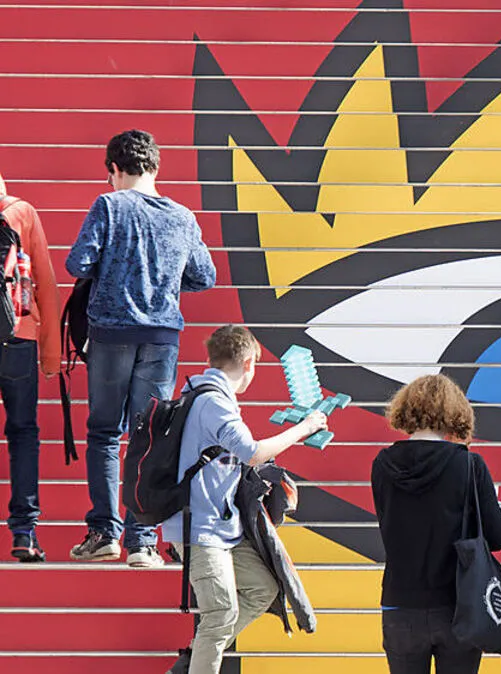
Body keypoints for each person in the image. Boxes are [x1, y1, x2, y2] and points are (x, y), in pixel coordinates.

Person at [65, 129, 217, 567]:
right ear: (155, 167)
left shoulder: (109, 205)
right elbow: (204, 276)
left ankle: (104, 534)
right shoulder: (183, 216)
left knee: (104, 433)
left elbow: (78, 262)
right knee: (148, 435)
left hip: (111, 334)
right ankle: (143, 542)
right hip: (161, 338)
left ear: (115, 169)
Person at [161, 325, 327, 674]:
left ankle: (198, 654)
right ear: (249, 362)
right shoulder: (212, 403)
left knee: (262, 588)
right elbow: (252, 452)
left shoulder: (207, 397)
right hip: (200, 530)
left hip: (221, 527)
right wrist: (305, 427)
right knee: (221, 613)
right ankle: (201, 656)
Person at [371, 374, 501, 674]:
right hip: (459, 606)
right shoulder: (469, 465)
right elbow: (497, 537)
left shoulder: (382, 464)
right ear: (454, 411)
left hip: (400, 604)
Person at [0, 176, 61, 562]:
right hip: (18, 335)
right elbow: (46, 284)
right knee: (23, 432)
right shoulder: (21, 212)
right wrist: (51, 355)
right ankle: (24, 532)